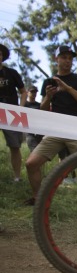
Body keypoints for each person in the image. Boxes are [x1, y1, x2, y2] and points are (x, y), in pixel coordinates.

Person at [25, 45, 77, 212]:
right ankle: (38, 199)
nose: (67, 61)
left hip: (76, 128)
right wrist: (48, 96)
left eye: (70, 58)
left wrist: (67, 88)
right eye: (64, 57)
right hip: (55, 129)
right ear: (56, 59)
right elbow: (43, 109)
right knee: (31, 163)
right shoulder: (48, 82)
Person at [0, 43, 28, 182]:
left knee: (15, 145)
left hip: (11, 112)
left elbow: (23, 92)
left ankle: (17, 177)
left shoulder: (11, 73)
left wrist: (20, 109)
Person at [24, 85, 43, 152]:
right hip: (29, 132)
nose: (34, 93)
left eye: (35, 92)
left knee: (40, 152)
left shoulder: (39, 105)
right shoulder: (23, 105)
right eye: (32, 91)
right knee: (34, 151)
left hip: (39, 131)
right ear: (27, 92)